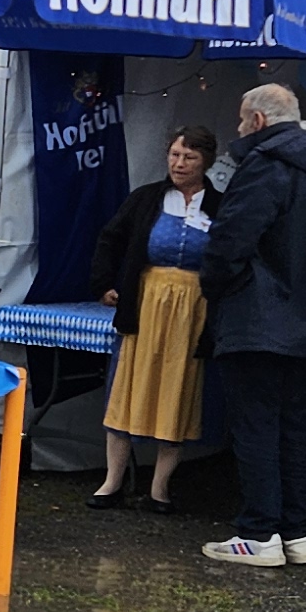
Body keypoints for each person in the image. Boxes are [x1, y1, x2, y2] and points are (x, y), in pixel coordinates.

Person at [195, 85, 306, 570]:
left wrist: (218, 288)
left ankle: (258, 533)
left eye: (240, 120)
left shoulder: (265, 164)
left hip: (259, 317)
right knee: (297, 426)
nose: (238, 130)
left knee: (256, 426)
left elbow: (231, 239)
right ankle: (296, 531)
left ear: (257, 120)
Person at [88, 124, 220, 509]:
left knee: (177, 392)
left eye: (189, 157)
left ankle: (160, 489)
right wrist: (103, 284)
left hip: (194, 310)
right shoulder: (146, 199)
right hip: (145, 303)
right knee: (127, 387)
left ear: (206, 162)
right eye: (175, 155)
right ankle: (112, 482)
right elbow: (110, 239)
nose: (179, 164)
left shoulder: (221, 206)